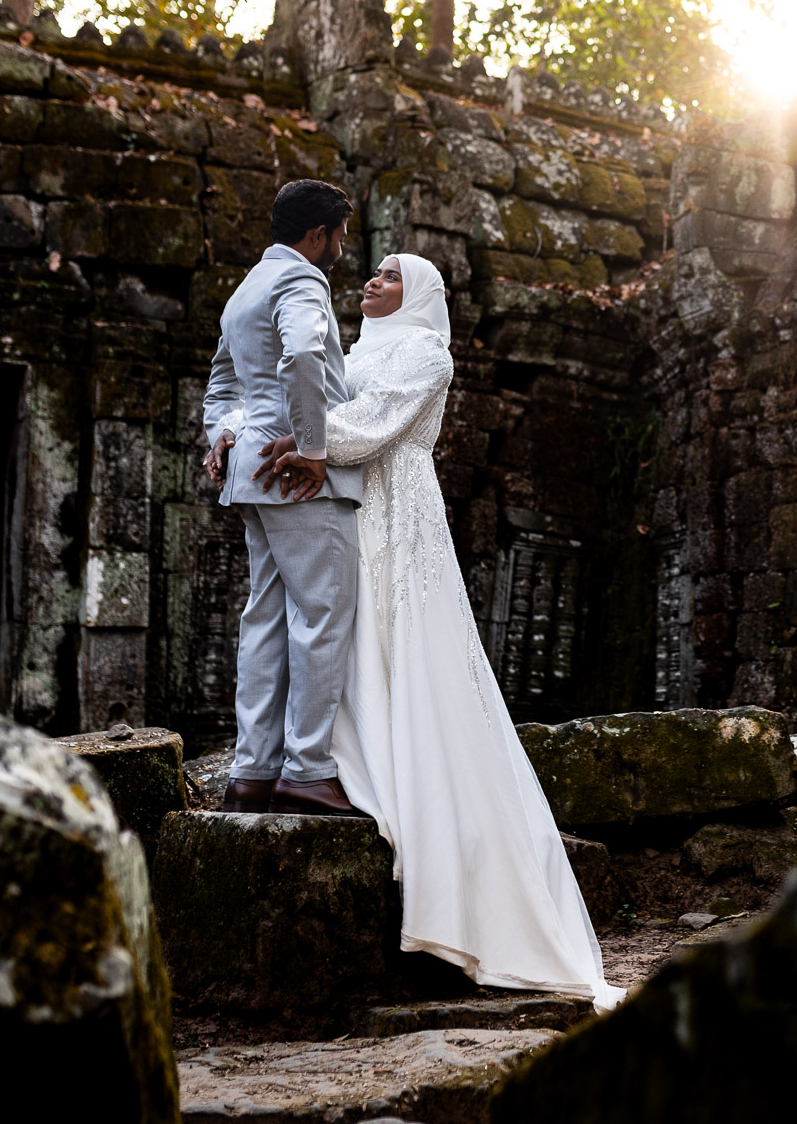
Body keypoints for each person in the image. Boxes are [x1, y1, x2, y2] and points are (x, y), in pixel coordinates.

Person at [210, 252, 622, 1011]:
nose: (373, 282)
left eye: (392, 276)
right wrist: (241, 431)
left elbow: (372, 424)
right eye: (373, 272)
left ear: (421, 294)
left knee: (402, 645)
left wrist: (299, 444)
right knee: (329, 629)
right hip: (339, 501)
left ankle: (412, 800)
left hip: (396, 513)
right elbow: (291, 393)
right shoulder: (350, 348)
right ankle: (325, 760)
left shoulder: (428, 351)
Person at [201, 179, 366, 817]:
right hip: (295, 476)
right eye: (340, 236)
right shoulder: (301, 279)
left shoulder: (247, 287)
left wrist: (225, 435)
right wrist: (315, 448)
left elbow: (223, 380)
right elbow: (301, 356)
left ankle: (251, 774)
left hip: (253, 473)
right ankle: (307, 770)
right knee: (323, 616)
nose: (342, 249)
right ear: (317, 235)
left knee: (265, 620)